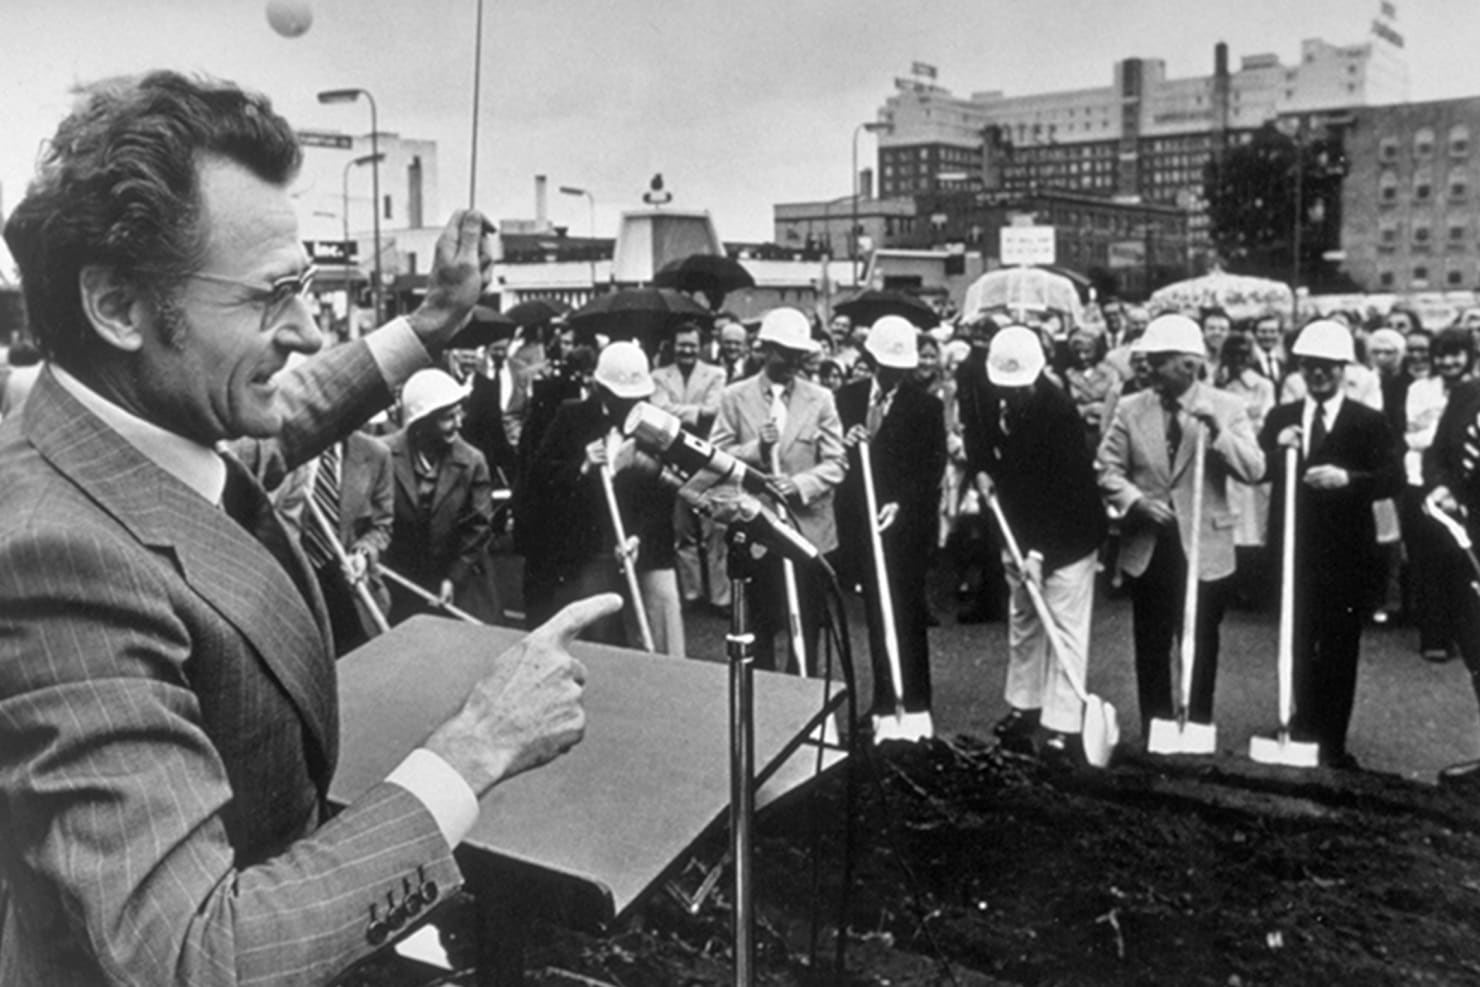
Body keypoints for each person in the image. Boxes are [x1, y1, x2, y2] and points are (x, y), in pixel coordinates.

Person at [0, 70, 615, 984]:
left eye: (307, 286)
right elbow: (194, 954)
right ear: (119, 307)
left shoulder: (131, 429)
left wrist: (430, 322)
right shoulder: (55, 558)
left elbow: (283, 420)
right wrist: (475, 744)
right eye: (268, 297)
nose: (307, 330)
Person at [1098, 314, 1265, 739]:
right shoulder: (1132, 408)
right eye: (1148, 361)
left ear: (1188, 365)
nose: (1149, 370)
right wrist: (1136, 502)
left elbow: (1254, 469)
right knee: (1151, 644)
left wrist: (1218, 431)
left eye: (1159, 362)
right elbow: (1106, 469)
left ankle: (1197, 726)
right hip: (1150, 547)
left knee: (1201, 641)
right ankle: (1157, 729)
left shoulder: (1226, 406)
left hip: (1205, 545)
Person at [1259, 321, 1404, 769]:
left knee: (1340, 646)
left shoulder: (1368, 421)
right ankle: (1300, 724)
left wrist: (1349, 479)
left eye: (1327, 367)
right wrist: (1274, 450)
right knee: (1298, 639)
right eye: (1310, 367)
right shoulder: (1281, 417)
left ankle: (1332, 741)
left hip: (1347, 554)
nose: (1318, 375)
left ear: (1343, 369)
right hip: (1294, 551)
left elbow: (1394, 478)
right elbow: (1258, 470)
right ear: (1300, 369)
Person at [972, 327, 1107, 765]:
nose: (1011, 393)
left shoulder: (1059, 413)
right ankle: (1025, 707)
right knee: (1024, 621)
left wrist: (1038, 555)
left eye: (1019, 386)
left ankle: (1063, 725)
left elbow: (1064, 492)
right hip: (1016, 522)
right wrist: (981, 469)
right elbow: (977, 432)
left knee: (1063, 628)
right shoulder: (991, 391)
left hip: (1067, 534)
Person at [522, 341, 683, 653]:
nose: (631, 405)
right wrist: (581, 467)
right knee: (597, 633)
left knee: (665, 620)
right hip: (592, 545)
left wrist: (638, 537)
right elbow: (540, 482)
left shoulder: (654, 423)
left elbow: (661, 497)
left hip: (643, 542)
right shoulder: (571, 418)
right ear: (600, 390)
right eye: (622, 398)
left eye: (638, 397)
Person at [712, 306, 847, 673]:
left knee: (806, 632)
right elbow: (716, 459)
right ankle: (763, 717)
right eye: (785, 352)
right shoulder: (734, 397)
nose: (793, 360)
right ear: (765, 349)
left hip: (809, 535)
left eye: (799, 354)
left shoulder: (821, 399)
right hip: (757, 534)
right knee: (759, 632)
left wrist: (799, 485)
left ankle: (805, 714)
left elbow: (837, 463)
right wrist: (755, 449)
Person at [834, 317, 946, 742]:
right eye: (886, 365)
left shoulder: (926, 406)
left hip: (905, 527)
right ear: (871, 360)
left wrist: (901, 502)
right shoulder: (847, 398)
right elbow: (832, 453)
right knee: (876, 616)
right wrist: (847, 441)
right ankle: (884, 703)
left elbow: (930, 469)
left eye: (901, 367)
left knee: (907, 615)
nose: (894, 373)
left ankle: (915, 703)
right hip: (861, 522)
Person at [382, 368, 496, 624]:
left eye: (459, 413)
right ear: (421, 424)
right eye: (448, 417)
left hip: (459, 583)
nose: (458, 423)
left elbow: (478, 527)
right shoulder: (384, 454)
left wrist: (453, 578)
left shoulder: (473, 461)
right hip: (400, 585)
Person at [651, 320, 730, 615]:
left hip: (707, 459)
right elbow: (659, 410)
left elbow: (715, 410)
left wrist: (676, 413)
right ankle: (692, 593)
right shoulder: (658, 376)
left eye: (692, 345)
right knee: (683, 531)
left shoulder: (716, 374)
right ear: (673, 346)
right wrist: (695, 414)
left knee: (714, 531)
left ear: (702, 347)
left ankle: (720, 597)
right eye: (682, 344)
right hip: (673, 460)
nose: (687, 350)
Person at [1214, 332, 1277, 610]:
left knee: (1254, 525)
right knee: (1229, 524)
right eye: (1233, 355)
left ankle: (1255, 586)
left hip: (1250, 455)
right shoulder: (1217, 384)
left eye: (1243, 355)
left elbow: (1265, 419)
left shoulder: (1261, 386)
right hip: (1226, 458)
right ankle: (1231, 585)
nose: (1238, 361)